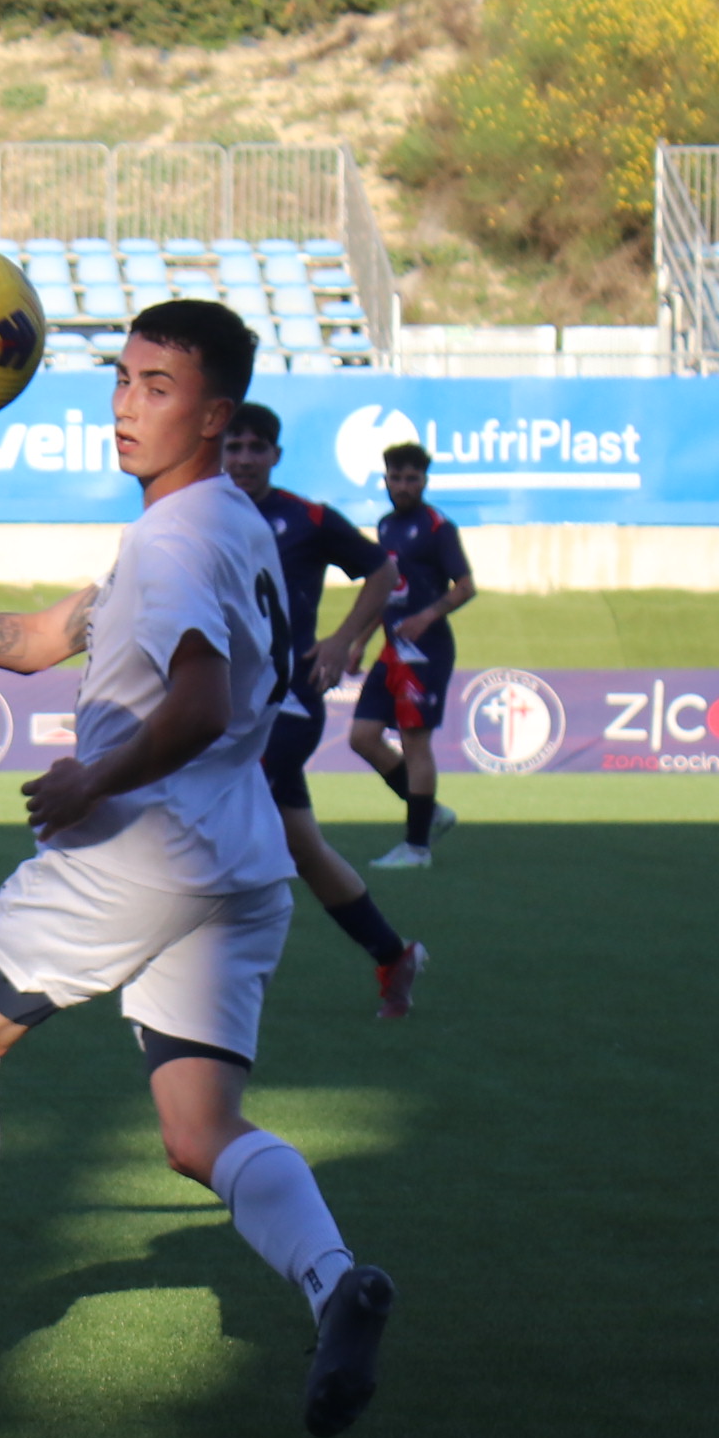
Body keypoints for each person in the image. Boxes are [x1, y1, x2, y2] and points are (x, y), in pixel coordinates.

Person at [0, 301, 398, 1438]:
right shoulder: (226, 518)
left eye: (159, 387)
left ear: (217, 412)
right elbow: (40, 639)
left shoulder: (178, 540)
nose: (127, 406)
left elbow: (191, 704)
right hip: (237, 855)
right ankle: (338, 1280)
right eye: (125, 379)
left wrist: (95, 782)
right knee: (200, 1129)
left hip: (147, 842)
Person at [219, 403, 428, 1021]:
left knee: (225, 813)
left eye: (257, 447)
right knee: (302, 845)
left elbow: (383, 571)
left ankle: (213, 973)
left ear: (276, 456)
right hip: (227, 705)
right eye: (234, 447)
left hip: (287, 702)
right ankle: (393, 953)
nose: (245, 459)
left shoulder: (304, 517)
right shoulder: (201, 515)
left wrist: (344, 641)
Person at [336, 439, 471, 869]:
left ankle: (417, 847)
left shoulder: (437, 528)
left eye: (412, 478)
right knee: (362, 737)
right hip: (393, 649)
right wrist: (360, 640)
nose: (403, 485)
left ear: (425, 480)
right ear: (386, 479)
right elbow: (385, 590)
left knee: (415, 743)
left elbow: (465, 587)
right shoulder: (386, 526)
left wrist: (427, 616)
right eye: (396, 477)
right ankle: (430, 813)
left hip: (426, 651)